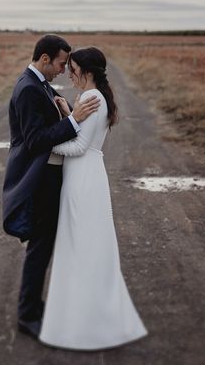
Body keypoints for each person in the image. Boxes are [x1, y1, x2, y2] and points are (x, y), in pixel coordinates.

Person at [39, 47, 148, 350]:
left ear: (86, 71)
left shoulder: (91, 98)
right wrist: (66, 114)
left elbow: (78, 147)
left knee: (82, 247)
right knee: (83, 245)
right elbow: (82, 136)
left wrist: (43, 147)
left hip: (82, 178)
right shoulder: (96, 97)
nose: (69, 73)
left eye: (72, 68)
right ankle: (86, 317)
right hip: (86, 175)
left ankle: (87, 324)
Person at [2, 34, 101, 339]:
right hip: (40, 179)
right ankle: (27, 314)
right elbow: (35, 141)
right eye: (60, 63)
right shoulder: (29, 89)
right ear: (44, 59)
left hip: (49, 177)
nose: (63, 69)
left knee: (44, 247)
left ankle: (34, 305)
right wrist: (74, 121)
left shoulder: (40, 85)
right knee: (39, 248)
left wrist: (67, 112)